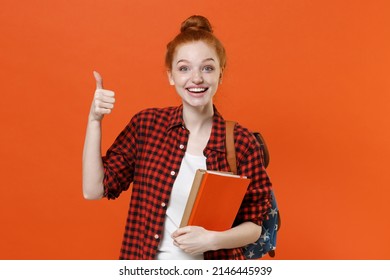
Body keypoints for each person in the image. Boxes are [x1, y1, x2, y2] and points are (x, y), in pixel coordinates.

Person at [82, 15, 272, 260]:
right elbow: (93, 190)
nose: (196, 79)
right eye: (184, 68)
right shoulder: (147, 126)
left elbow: (255, 225)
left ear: (220, 75)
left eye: (207, 68)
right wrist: (94, 120)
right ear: (171, 75)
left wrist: (213, 239)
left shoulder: (241, 142)